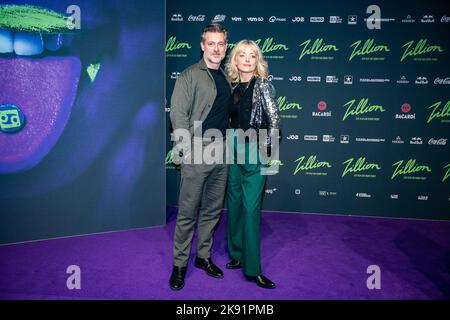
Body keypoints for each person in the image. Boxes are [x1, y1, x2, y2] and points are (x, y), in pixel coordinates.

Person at [169, 23, 231, 290]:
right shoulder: (189, 75)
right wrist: (185, 150)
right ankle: (179, 264)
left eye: (221, 44)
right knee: (187, 212)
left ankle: (203, 257)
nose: (216, 48)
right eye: (211, 43)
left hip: (222, 149)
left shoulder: (228, 76)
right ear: (203, 45)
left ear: (225, 46)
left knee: (213, 210)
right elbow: (178, 116)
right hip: (198, 148)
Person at [224, 40, 280, 289]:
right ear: (235, 60)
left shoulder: (263, 86)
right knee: (234, 205)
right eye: (242, 55)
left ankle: (253, 268)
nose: (247, 59)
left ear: (258, 60)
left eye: (252, 55)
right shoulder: (231, 86)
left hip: (254, 149)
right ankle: (236, 254)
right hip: (231, 148)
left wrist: (267, 153)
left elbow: (275, 120)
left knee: (250, 209)